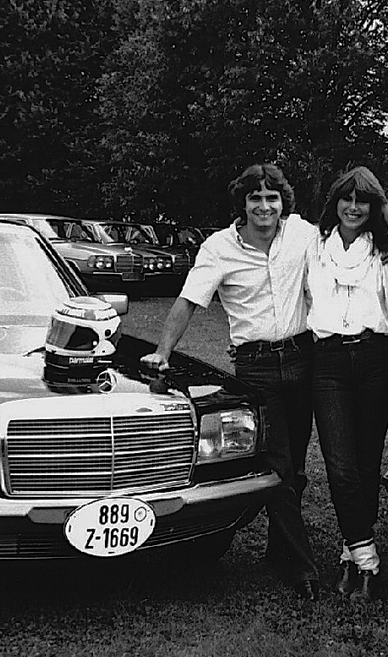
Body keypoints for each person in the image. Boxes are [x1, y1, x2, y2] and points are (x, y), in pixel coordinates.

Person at [141, 163, 322, 600]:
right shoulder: (219, 247)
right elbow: (189, 301)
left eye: (272, 198)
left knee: (294, 465)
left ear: (284, 204)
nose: (264, 207)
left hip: (303, 358)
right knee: (277, 465)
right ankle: (300, 569)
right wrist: (162, 351)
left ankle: (278, 550)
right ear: (242, 205)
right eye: (255, 199)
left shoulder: (302, 234)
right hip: (256, 368)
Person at [306, 166, 388, 602]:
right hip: (327, 362)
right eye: (347, 198)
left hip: (375, 359)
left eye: (363, 201)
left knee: (364, 466)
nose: (354, 208)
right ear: (335, 202)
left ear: (374, 207)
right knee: (340, 466)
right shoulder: (314, 246)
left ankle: (350, 553)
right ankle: (368, 558)